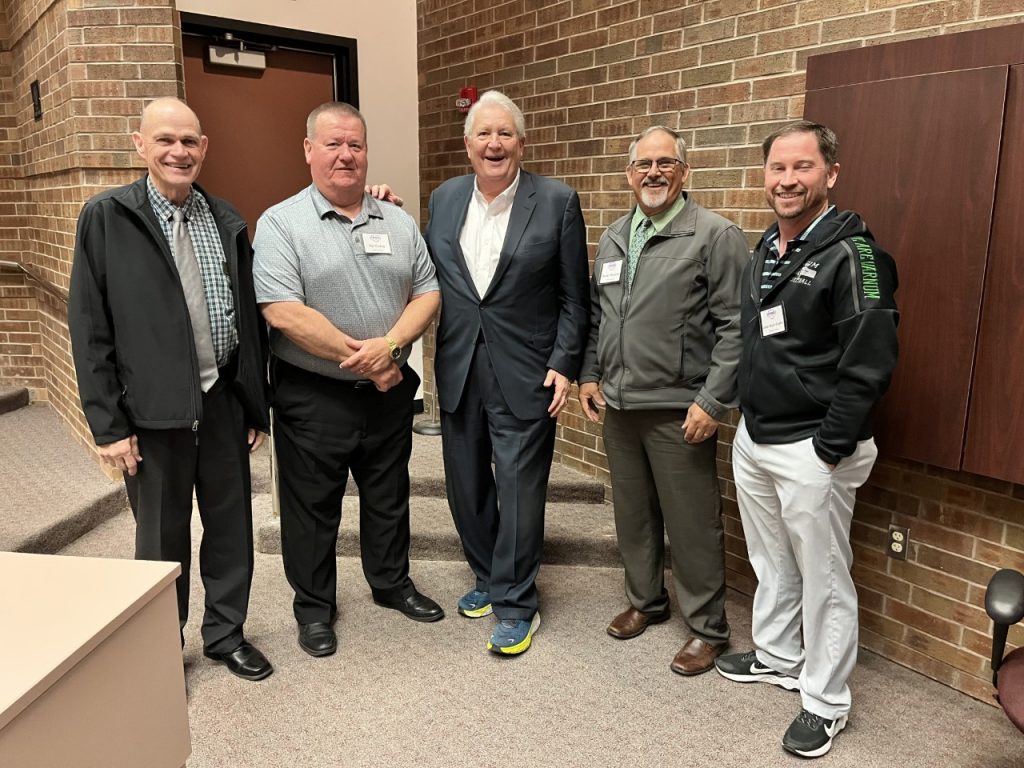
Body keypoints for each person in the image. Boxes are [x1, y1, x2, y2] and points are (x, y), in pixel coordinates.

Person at [69, 97, 273, 681]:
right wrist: (109, 425)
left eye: (189, 141)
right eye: (165, 140)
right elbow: (89, 328)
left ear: (204, 148)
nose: (178, 152)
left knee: (231, 526)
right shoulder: (107, 217)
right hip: (151, 412)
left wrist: (252, 400)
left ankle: (225, 634)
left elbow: (247, 319)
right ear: (140, 145)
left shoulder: (226, 219)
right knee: (161, 535)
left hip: (222, 402)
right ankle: (162, 647)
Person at [715, 121, 899, 758]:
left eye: (802, 168)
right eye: (776, 169)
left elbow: (871, 362)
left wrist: (829, 447)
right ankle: (778, 655)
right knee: (773, 561)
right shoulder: (767, 245)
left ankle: (825, 700)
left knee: (823, 576)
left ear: (831, 174)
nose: (787, 180)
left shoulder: (856, 255)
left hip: (812, 448)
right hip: (757, 436)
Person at [253, 102, 442, 659]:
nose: (345, 155)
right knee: (312, 507)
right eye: (333, 143)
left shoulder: (397, 220)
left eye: (355, 145)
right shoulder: (282, 223)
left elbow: (428, 291)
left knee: (388, 494)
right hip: (314, 394)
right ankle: (313, 608)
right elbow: (282, 310)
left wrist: (389, 349)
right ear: (308, 149)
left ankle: (391, 584)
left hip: (386, 392)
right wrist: (372, 358)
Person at [424, 90, 589, 656]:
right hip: (459, 365)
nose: (494, 143)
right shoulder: (443, 199)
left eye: (505, 134)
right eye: (483, 134)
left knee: (520, 490)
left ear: (523, 141)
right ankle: (487, 576)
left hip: (527, 370)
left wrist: (564, 363)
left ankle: (517, 601)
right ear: (467, 144)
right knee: (466, 484)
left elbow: (575, 296)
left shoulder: (557, 201)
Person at [578, 126, 748, 675]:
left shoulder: (714, 237)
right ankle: (646, 602)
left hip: (680, 407)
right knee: (633, 515)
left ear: (684, 172)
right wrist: (589, 375)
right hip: (620, 405)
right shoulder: (614, 237)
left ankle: (707, 629)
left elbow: (736, 328)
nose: (653, 172)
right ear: (629, 174)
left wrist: (712, 401)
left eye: (665, 163)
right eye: (642, 164)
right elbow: (599, 318)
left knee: (692, 521)